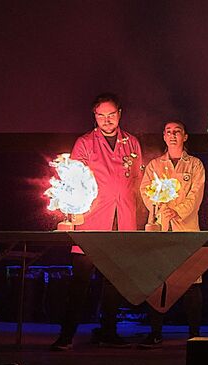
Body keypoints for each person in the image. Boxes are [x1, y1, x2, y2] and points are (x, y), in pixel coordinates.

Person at [51, 93, 143, 350]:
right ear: (95, 117)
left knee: (115, 280)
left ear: (120, 114)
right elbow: (73, 180)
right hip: (92, 220)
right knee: (80, 281)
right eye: (101, 115)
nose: (106, 120)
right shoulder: (84, 143)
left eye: (111, 115)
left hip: (122, 219)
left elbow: (137, 181)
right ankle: (67, 335)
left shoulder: (132, 143)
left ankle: (108, 331)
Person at [138, 120, 205, 348]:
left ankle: (194, 333)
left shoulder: (195, 165)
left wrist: (177, 210)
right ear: (164, 137)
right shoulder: (155, 165)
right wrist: (158, 208)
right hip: (160, 227)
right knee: (159, 282)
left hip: (186, 228)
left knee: (191, 282)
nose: (173, 135)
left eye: (177, 131)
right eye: (168, 132)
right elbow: (146, 191)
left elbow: (195, 196)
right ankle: (155, 333)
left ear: (185, 136)